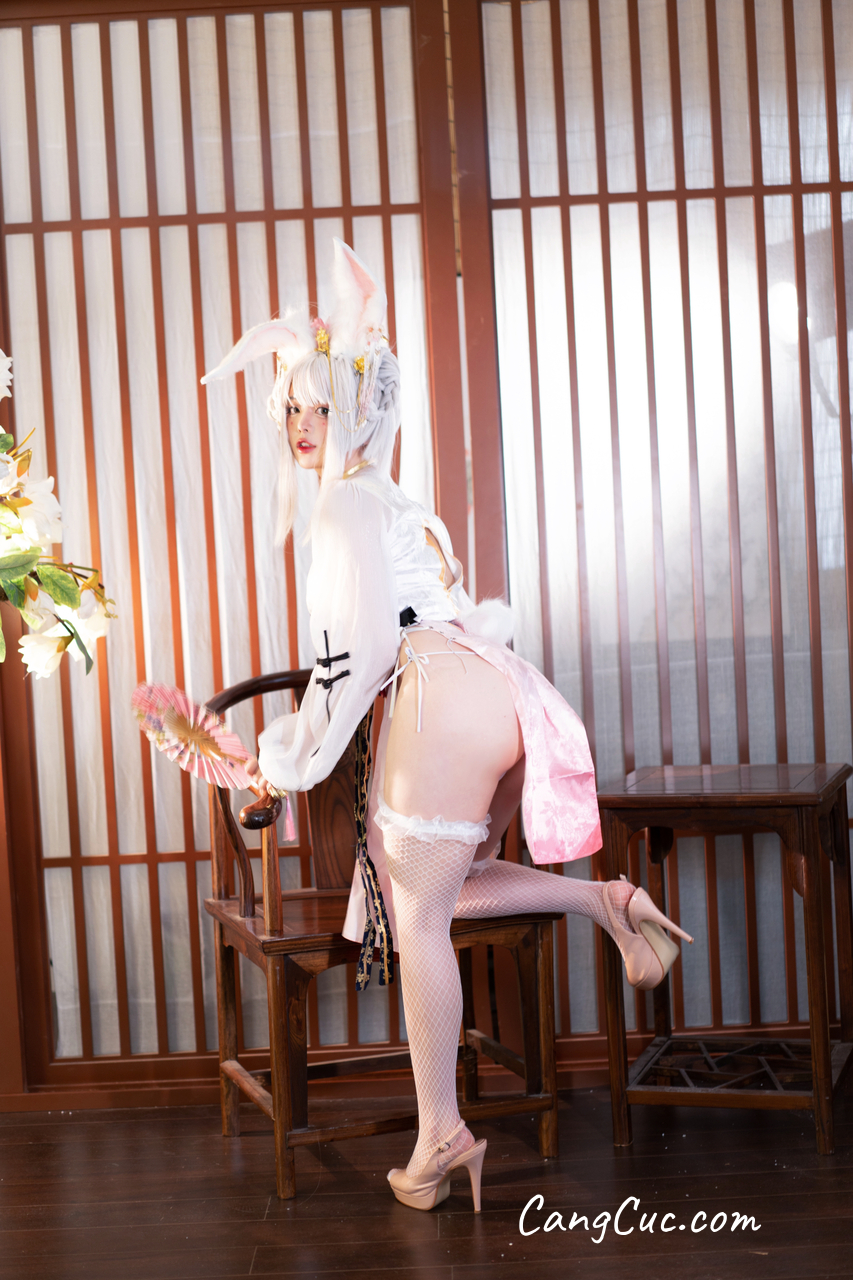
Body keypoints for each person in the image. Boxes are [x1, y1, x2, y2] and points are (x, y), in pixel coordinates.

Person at [202, 240, 692, 1215]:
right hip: (502, 692)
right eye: (289, 409)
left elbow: (351, 662)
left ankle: (440, 1133)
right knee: (441, 887)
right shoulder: (397, 499)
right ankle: (606, 900)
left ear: (360, 407)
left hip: (437, 693)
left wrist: (285, 759)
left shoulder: (344, 507)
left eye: (320, 406)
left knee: (417, 914)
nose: (301, 426)